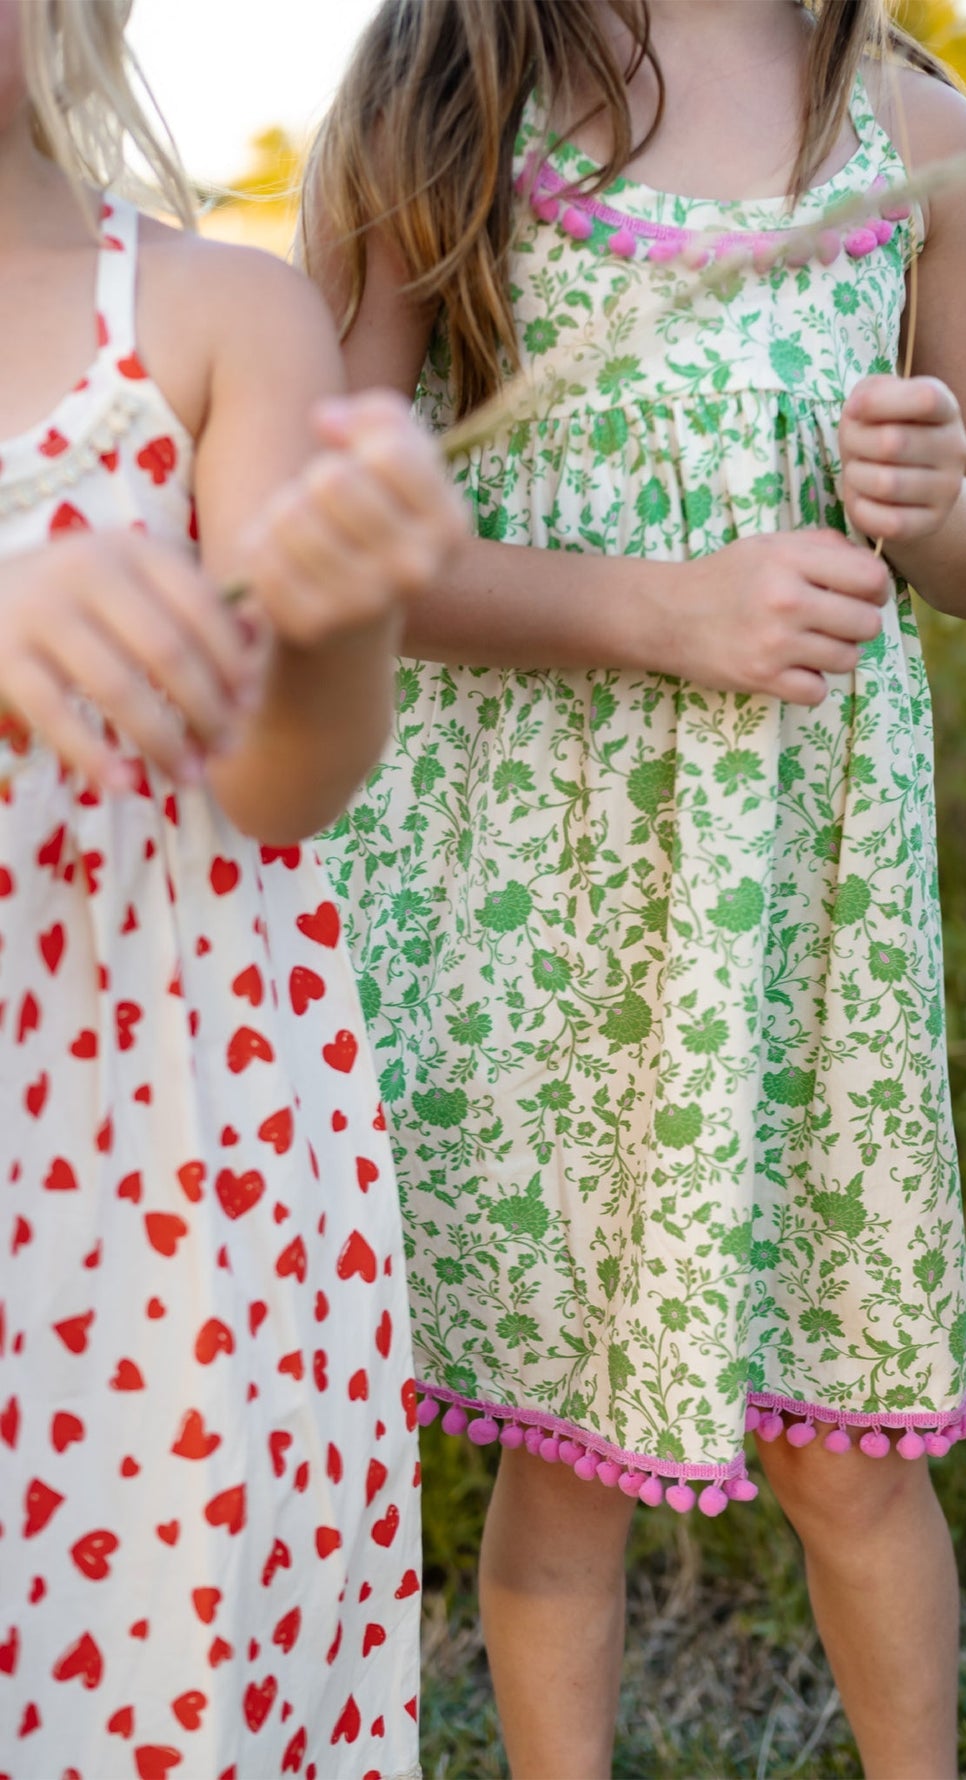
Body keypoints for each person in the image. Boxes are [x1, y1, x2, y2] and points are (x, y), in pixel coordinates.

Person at [303, 2, 966, 1774]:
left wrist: (940, 509)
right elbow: (311, 543)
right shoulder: (449, 87)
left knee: (849, 1445)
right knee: (560, 1453)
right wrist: (651, 611)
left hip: (795, 919)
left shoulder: (915, 129)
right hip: (524, 903)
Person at [0, 3, 464, 1776]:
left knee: (148, 1639)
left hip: (154, 1160)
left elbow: (288, 779)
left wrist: (339, 616)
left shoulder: (216, 318)